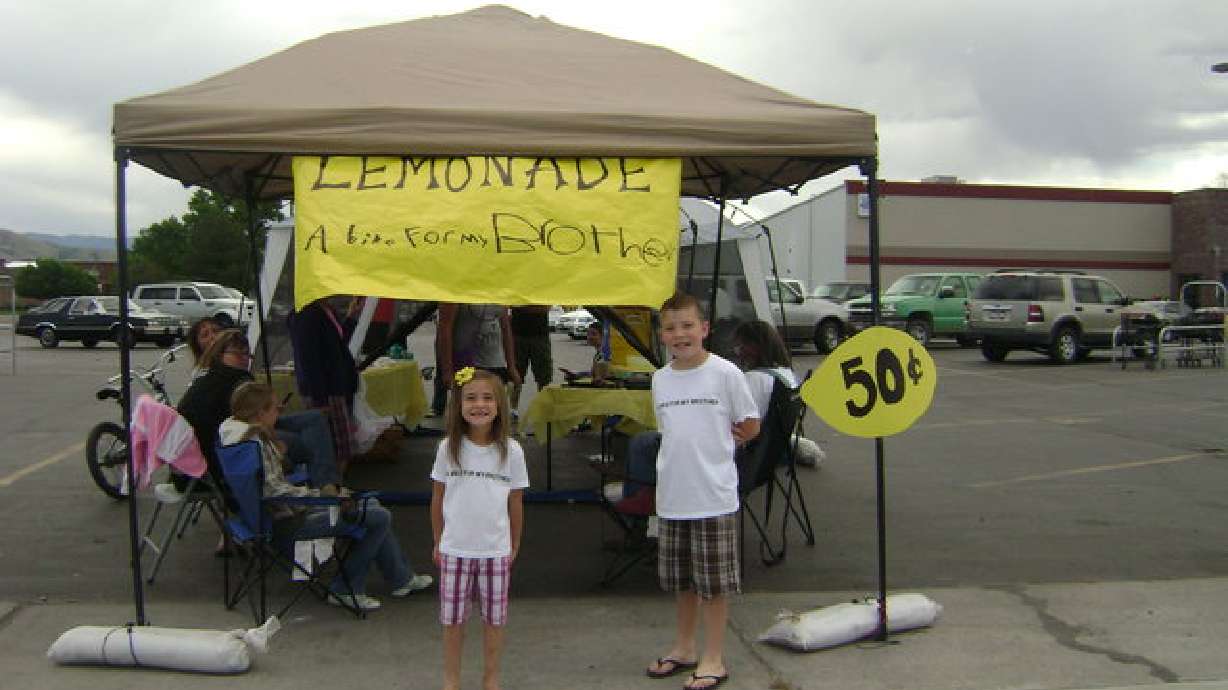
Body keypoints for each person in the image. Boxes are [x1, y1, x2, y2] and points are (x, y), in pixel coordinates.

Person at [220, 382, 432, 612]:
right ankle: (347, 587)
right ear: (260, 413)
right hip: (287, 521)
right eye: (275, 409)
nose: (279, 414)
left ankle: (401, 578)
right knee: (377, 516)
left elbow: (269, 488)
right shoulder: (256, 443)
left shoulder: (233, 438)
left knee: (369, 506)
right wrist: (323, 495)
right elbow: (275, 492)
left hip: (263, 518)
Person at [644, 292, 759, 690]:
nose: (680, 334)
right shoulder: (660, 379)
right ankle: (685, 647)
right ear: (663, 335)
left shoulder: (726, 373)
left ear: (704, 328)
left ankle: (714, 658)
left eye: (688, 326)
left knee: (714, 585)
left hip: (714, 497)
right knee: (682, 582)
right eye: (671, 328)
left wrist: (731, 441)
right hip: (673, 497)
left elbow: (750, 423)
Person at [430, 367, 528, 690]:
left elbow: (516, 501)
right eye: (471, 398)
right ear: (458, 405)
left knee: (494, 620)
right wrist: (438, 541)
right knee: (452, 620)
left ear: (500, 405)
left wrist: (514, 544)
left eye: (487, 398)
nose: (479, 405)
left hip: (495, 551)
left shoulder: (512, 451)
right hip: (455, 549)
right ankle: (451, 679)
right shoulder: (448, 448)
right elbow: (438, 497)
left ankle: (491, 678)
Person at [178, 329, 342, 497]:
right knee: (312, 440)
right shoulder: (237, 379)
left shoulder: (206, 378)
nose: (243, 359)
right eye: (237, 354)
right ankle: (326, 486)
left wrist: (270, 409)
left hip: (193, 462)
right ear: (219, 354)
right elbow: (255, 422)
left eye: (247, 355)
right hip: (229, 448)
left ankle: (326, 483)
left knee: (313, 420)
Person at [287, 297, 361, 473]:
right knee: (335, 446)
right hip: (325, 391)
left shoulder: (326, 310)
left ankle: (334, 483)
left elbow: (337, 342)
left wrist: (351, 317)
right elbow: (308, 359)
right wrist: (320, 400)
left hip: (335, 387)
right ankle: (331, 484)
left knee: (341, 446)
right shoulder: (305, 314)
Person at [432, 303, 521, 416]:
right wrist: (447, 371)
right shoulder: (455, 295)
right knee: (469, 413)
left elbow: (505, 328)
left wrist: (511, 366)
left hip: (495, 362)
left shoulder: (499, 294)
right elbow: (444, 330)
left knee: (493, 413)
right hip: (467, 362)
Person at [509, 305, 553, 416]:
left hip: (540, 335)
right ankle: (513, 408)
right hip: (517, 335)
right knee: (515, 375)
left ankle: (543, 407)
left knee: (544, 375)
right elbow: (509, 304)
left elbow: (545, 307)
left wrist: (520, 306)